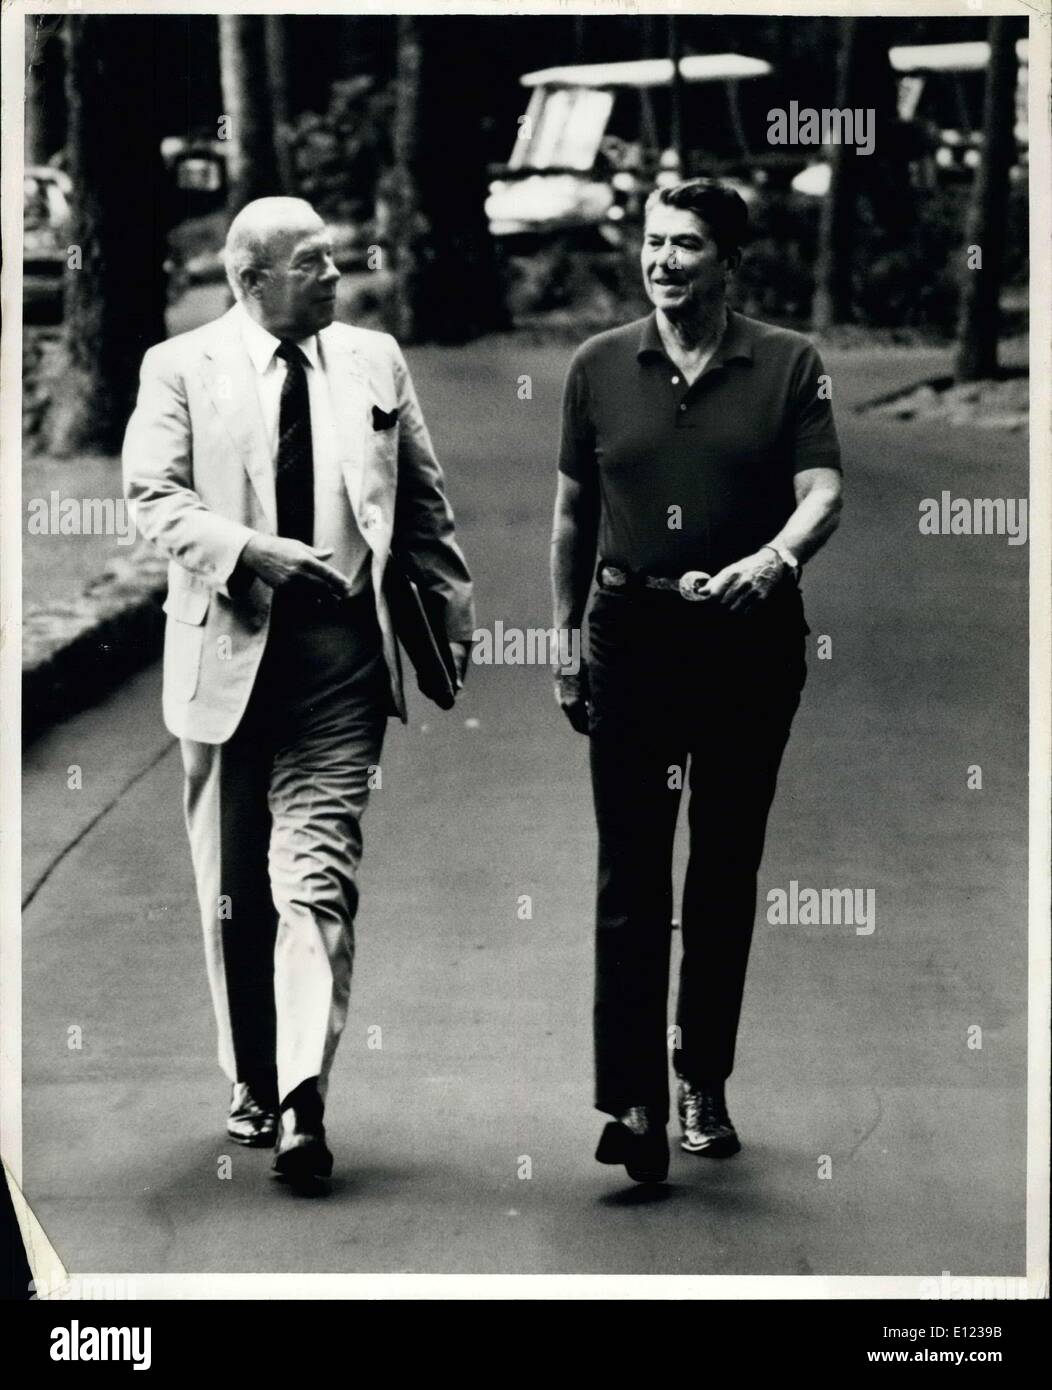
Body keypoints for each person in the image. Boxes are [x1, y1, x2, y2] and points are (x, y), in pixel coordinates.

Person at [123, 197, 474, 1187]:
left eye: (335, 261)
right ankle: (250, 1072)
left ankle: (301, 1096)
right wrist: (250, 552)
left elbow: (421, 493)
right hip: (225, 658)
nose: (339, 275)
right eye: (314, 264)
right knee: (236, 891)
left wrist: (447, 604)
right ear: (251, 279)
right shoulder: (178, 368)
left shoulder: (374, 359)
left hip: (341, 661)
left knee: (315, 877)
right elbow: (154, 497)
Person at [550, 179, 843, 1183]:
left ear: (727, 261)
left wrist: (772, 561)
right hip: (628, 638)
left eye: (684, 245)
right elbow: (570, 515)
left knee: (720, 872)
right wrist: (560, 637)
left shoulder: (787, 364)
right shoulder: (597, 365)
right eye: (652, 242)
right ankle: (629, 1098)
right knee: (629, 874)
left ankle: (699, 1075)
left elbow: (822, 492)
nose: (662, 260)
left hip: (746, 643)